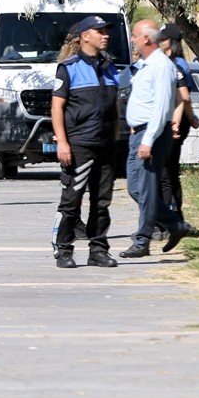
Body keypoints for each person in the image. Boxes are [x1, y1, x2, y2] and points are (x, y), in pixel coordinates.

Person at [50, 17, 120, 269]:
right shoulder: (68, 68)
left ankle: (98, 250)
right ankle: (64, 250)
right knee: (72, 201)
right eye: (99, 31)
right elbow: (57, 107)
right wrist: (63, 143)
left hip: (106, 146)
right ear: (85, 36)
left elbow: (115, 108)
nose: (105, 35)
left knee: (101, 202)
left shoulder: (110, 68)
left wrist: (116, 136)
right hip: (80, 145)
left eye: (106, 31)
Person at [121, 20, 189, 258]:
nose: (132, 40)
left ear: (147, 39)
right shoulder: (145, 65)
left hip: (152, 134)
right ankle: (176, 224)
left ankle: (142, 240)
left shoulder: (161, 66)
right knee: (136, 188)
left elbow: (161, 108)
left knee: (148, 189)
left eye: (135, 36)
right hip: (138, 133)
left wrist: (148, 140)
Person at [156, 24, 199, 238]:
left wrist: (186, 118)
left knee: (166, 173)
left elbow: (184, 97)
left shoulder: (177, 64)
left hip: (176, 122)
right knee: (170, 172)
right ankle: (175, 218)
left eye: (163, 38)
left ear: (171, 42)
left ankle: (169, 222)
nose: (159, 41)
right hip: (178, 120)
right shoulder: (170, 62)